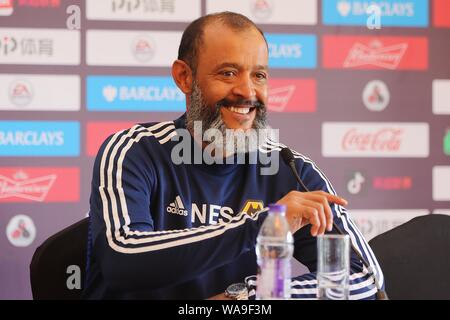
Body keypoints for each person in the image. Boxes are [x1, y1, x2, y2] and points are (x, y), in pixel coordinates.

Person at [83, 11, 384, 300]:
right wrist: (260, 227)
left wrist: (247, 297)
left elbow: (365, 278)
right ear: (184, 77)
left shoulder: (291, 171)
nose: (247, 91)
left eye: (259, 75)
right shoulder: (134, 150)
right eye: (228, 73)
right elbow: (122, 259)